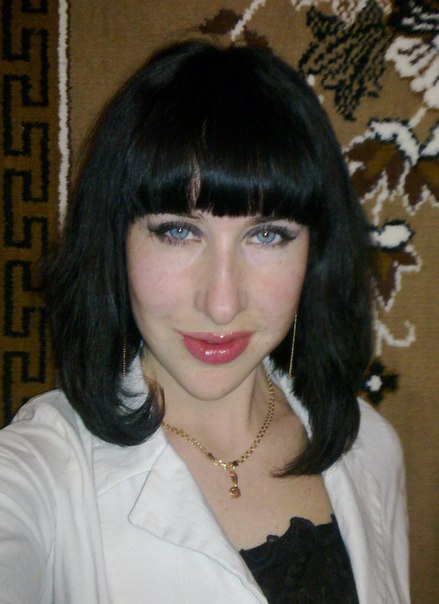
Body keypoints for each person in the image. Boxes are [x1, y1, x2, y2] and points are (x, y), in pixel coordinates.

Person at [0, 40, 409, 603]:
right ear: (115, 239)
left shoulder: (371, 448)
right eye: (178, 232)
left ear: (316, 253)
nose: (221, 304)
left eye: (268, 235)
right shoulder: (38, 472)